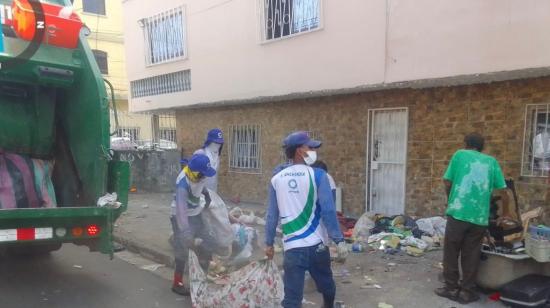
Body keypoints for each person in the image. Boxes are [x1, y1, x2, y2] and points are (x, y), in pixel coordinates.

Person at [265, 131, 348, 308]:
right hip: (316, 245)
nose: (313, 150)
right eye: (309, 147)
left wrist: (268, 243)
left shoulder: (277, 178)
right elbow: (328, 210)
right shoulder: (318, 175)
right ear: (299, 151)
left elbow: (272, 215)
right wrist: (339, 240)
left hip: (292, 248)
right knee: (327, 286)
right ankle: (328, 305)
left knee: (292, 299)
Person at [435, 133, 507, 304]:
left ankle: (451, 288)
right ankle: (466, 292)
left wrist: (450, 199)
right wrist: (504, 213)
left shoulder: (459, 155)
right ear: (483, 147)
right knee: (472, 254)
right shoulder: (491, 162)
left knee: (451, 252)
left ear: (466, 144)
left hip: (458, 212)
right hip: (479, 218)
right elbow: (503, 190)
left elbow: (447, 182)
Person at [171, 153, 217, 296]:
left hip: (195, 212)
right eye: (202, 175)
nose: (204, 177)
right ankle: (177, 283)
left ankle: (202, 277)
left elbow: (201, 186)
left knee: (208, 242)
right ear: (195, 173)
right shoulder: (182, 185)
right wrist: (186, 233)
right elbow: (181, 211)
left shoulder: (198, 175)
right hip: (179, 216)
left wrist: (206, 195)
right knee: (182, 250)